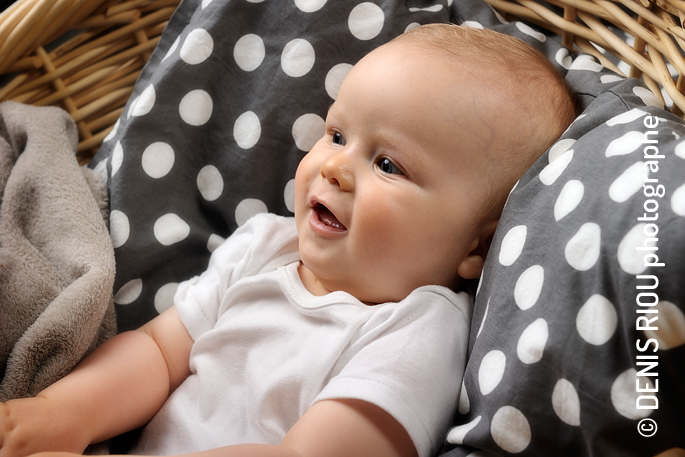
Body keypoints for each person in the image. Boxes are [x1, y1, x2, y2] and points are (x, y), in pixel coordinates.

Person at [0, 23, 576, 457]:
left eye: (388, 164)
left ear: (476, 249)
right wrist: (61, 413)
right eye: (336, 133)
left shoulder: (418, 328)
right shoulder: (264, 248)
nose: (334, 169)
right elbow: (157, 353)